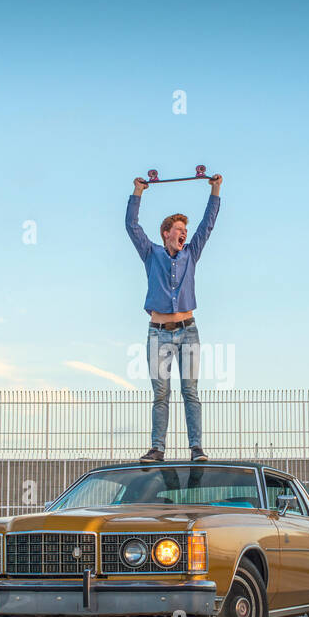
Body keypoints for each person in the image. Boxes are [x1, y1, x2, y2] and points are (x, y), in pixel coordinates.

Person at [125, 171, 222, 462]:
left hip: (188, 331)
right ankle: (158, 448)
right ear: (166, 233)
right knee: (161, 393)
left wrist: (215, 190)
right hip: (158, 332)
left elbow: (208, 225)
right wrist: (137, 192)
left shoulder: (191, 253)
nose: (184, 233)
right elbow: (131, 225)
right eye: (179, 228)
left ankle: (196, 448)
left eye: (185, 230)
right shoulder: (150, 253)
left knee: (190, 391)